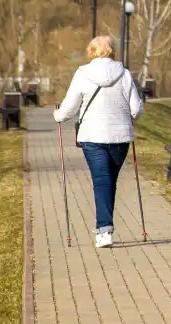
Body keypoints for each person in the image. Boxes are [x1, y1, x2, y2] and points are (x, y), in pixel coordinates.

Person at [54, 35, 143, 249]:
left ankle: (104, 230)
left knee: (103, 180)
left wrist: (58, 115)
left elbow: (70, 107)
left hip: (93, 136)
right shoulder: (124, 74)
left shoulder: (82, 73)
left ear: (91, 52)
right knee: (109, 181)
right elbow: (136, 110)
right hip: (120, 137)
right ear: (112, 51)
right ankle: (105, 227)